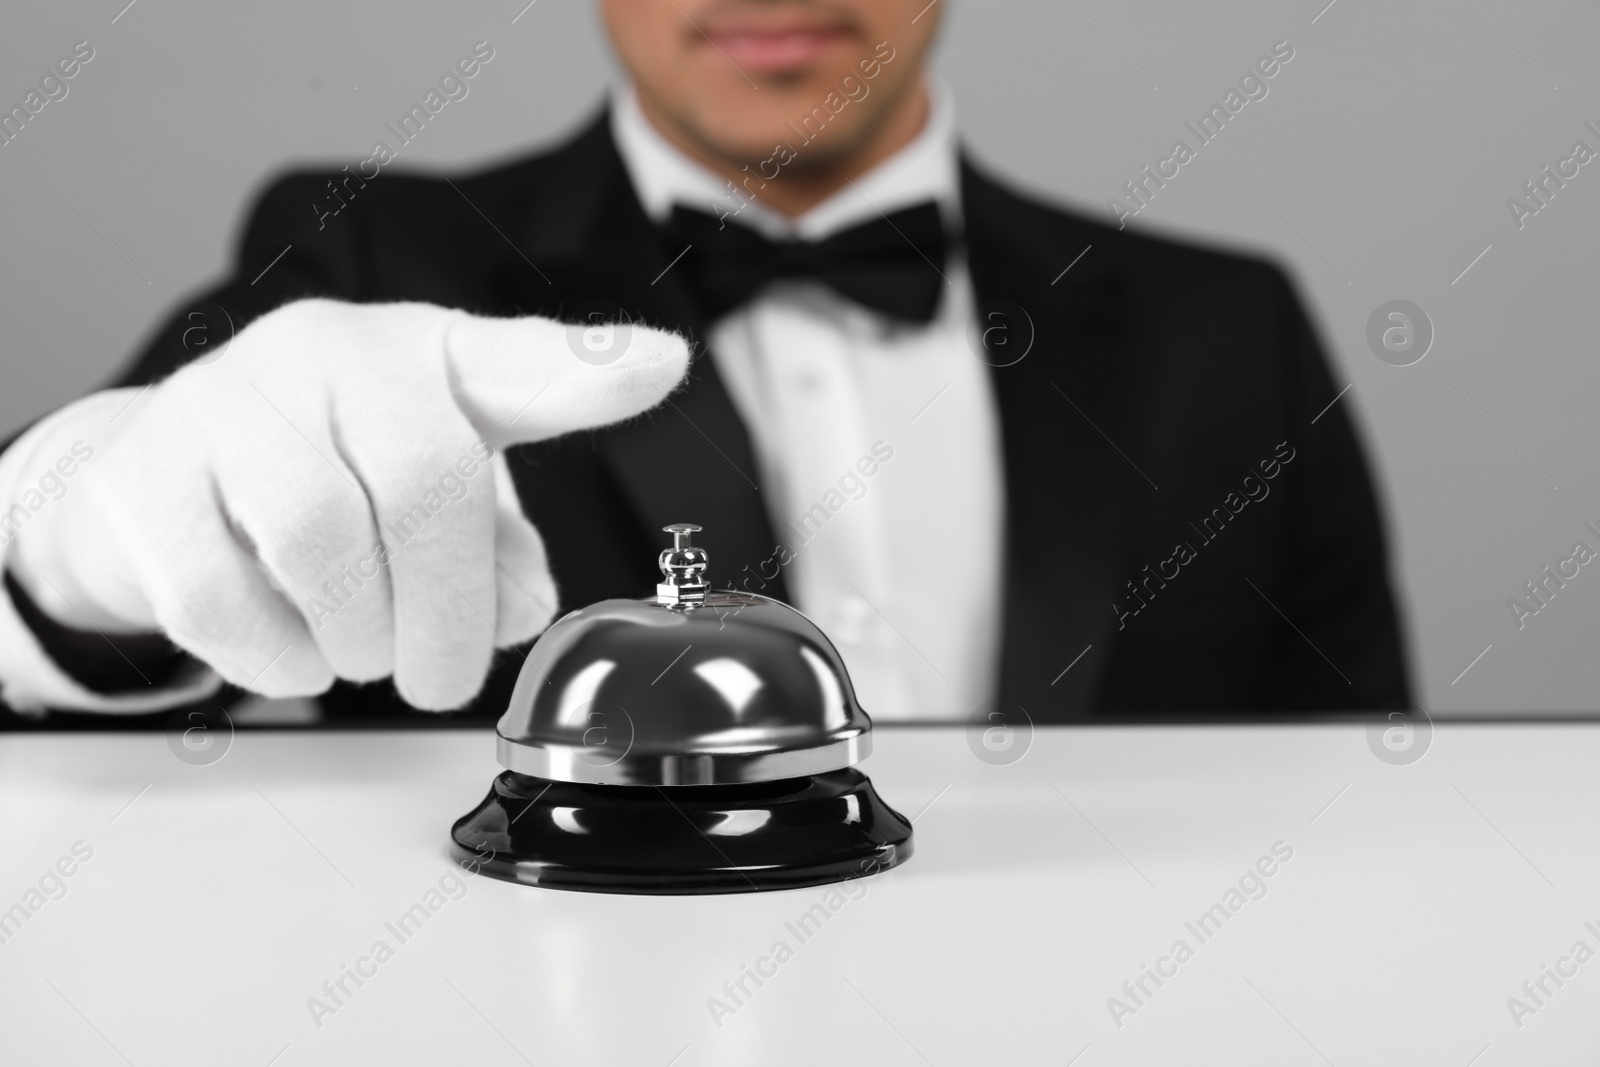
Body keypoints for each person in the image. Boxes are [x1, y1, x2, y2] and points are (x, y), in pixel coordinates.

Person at [0, 0, 1409, 725]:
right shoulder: (375, 256)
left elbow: (1365, 823)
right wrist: (74, 550)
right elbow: (108, 531)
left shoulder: (1230, 329)